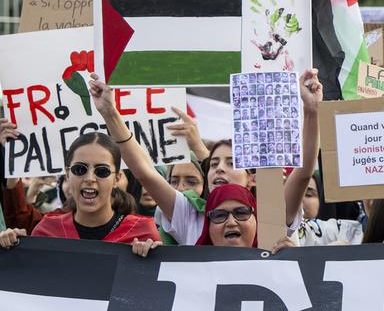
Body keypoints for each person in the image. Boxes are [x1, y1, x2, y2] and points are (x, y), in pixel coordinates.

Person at [88, 69, 321, 253]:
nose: (219, 168)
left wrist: (311, 110)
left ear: (252, 178)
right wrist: (110, 114)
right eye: (214, 163)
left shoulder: (271, 213)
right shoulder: (190, 216)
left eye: (231, 163)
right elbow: (145, 173)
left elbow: (302, 173)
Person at [0, 133, 160, 247]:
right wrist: (11, 250)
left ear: (117, 179)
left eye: (102, 171)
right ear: (67, 174)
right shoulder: (46, 231)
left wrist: (151, 259)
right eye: (79, 169)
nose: (90, 178)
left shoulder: (142, 233)